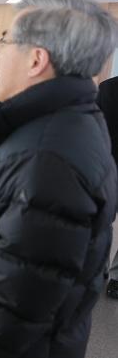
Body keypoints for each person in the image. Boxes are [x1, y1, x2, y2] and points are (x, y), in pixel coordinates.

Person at [0, 0, 118, 358]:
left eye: (5, 41)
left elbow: (12, 313)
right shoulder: (49, 123)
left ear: (36, 60)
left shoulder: (50, 160)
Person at [96, 76, 118, 299]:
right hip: (107, 167)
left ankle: (116, 277)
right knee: (102, 220)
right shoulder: (107, 88)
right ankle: (98, 266)